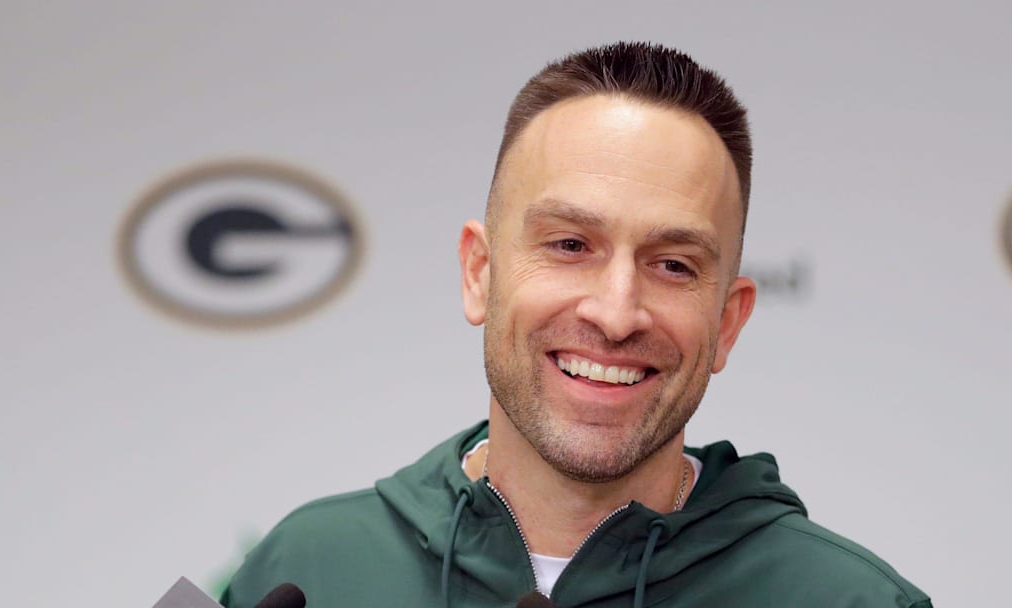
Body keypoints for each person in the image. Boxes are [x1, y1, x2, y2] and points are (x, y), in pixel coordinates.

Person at [220, 42, 932, 608]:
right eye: (570, 245)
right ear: (479, 272)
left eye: (674, 265)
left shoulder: (850, 600)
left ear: (728, 322)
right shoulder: (307, 573)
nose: (616, 313)